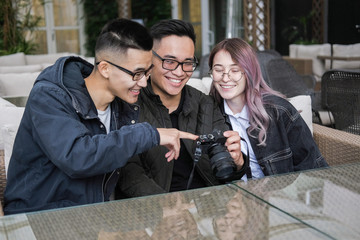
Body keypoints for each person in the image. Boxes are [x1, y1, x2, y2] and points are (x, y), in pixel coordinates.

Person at [3, 18, 198, 215]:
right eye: (137, 74)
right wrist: (149, 134)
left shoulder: (123, 106)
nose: (144, 83)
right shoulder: (49, 96)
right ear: (105, 68)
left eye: (147, 73)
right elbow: (77, 157)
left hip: (89, 219)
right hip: (36, 218)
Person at [116, 19, 248, 198]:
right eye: (169, 61)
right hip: (153, 211)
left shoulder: (204, 103)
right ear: (149, 57)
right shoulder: (129, 103)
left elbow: (226, 169)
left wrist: (239, 162)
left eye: (187, 63)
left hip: (207, 208)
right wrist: (165, 206)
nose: (179, 72)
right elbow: (128, 173)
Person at [208, 38, 328, 180]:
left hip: (279, 195)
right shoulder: (207, 113)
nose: (225, 78)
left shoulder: (280, 111)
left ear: (249, 73)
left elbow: (314, 168)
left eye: (235, 70)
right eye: (218, 70)